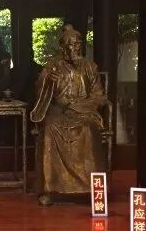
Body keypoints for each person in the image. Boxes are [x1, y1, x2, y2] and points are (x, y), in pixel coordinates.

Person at [30, 24, 107, 205]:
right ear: (63, 47)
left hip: (83, 111)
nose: (76, 48)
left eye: (78, 44)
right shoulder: (52, 67)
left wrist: (78, 105)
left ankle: (92, 188)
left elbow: (99, 96)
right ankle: (49, 188)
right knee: (49, 129)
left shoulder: (90, 67)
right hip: (58, 111)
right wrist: (48, 82)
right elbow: (39, 92)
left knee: (88, 130)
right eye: (71, 44)